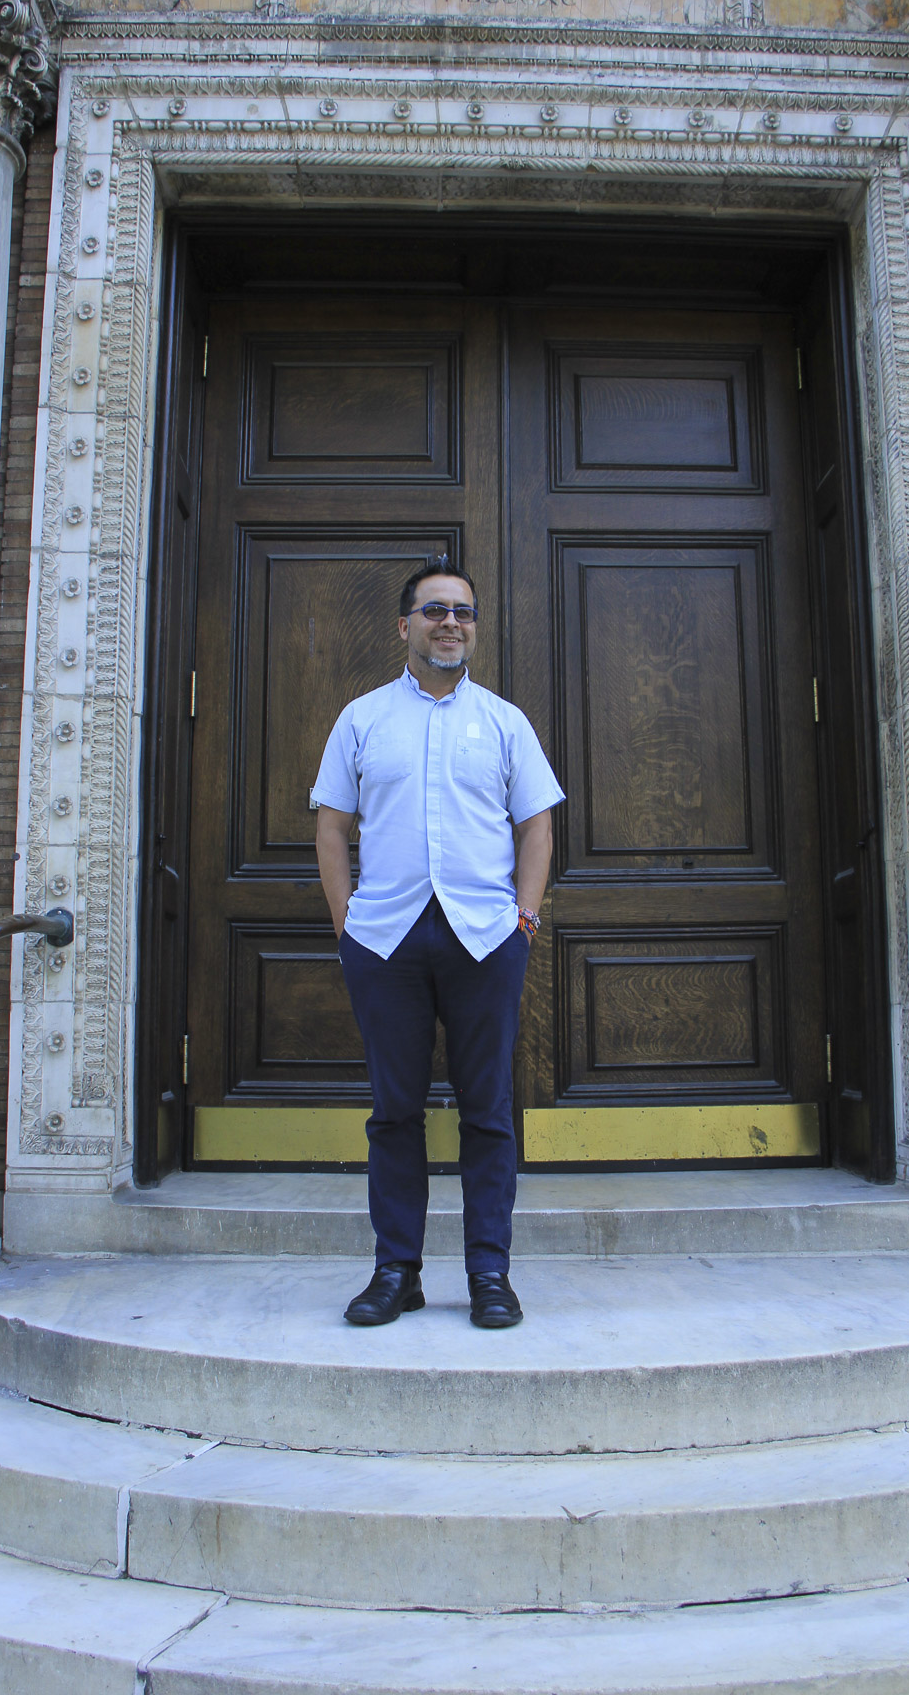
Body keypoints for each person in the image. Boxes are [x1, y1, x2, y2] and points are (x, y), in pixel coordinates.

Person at [312, 557, 565, 1329]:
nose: (450, 622)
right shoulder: (361, 719)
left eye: (463, 611)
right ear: (405, 625)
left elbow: (537, 827)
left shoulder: (504, 722)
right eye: (434, 610)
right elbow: (331, 825)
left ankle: (490, 1272)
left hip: (485, 939)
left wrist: (523, 919)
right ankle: (397, 1271)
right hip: (385, 940)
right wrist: (346, 924)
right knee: (394, 1113)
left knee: (488, 1112)